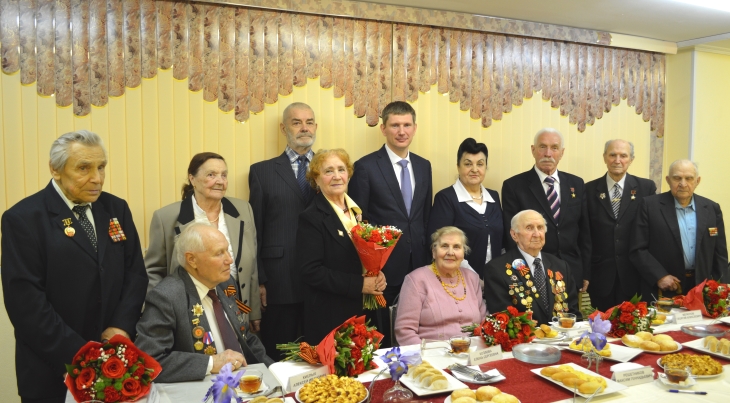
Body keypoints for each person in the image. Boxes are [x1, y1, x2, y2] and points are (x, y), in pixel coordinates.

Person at [1, 130, 147, 403]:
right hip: (53, 370)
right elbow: (27, 305)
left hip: (115, 361)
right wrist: (85, 356)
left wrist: (120, 327)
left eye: (101, 167)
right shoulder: (23, 219)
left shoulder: (116, 208)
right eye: (84, 168)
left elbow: (135, 274)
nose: (97, 178)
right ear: (55, 170)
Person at [136, 223, 273, 383]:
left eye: (227, 250)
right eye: (219, 253)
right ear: (192, 259)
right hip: (205, 388)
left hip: (248, 380)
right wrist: (211, 363)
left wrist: (275, 371)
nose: (229, 260)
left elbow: (245, 337)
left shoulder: (226, 283)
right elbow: (149, 361)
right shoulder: (166, 297)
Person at [145, 152, 261, 331]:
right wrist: (158, 312)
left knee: (240, 353)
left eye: (224, 175)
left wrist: (253, 312)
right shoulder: (165, 218)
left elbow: (251, 266)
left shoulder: (243, 210)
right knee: (205, 354)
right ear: (192, 179)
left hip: (237, 304)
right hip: (188, 309)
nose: (220, 181)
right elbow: (154, 271)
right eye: (211, 175)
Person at [349, 101, 432, 347]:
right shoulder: (365, 167)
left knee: (416, 330)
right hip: (383, 270)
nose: (401, 131)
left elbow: (424, 216)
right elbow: (358, 224)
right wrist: (370, 269)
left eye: (406, 125)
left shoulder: (424, 166)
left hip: (418, 263)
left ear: (415, 128)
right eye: (395, 125)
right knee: (384, 335)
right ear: (383, 128)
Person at [296, 149, 386, 344]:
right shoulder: (311, 217)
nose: (336, 176)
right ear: (316, 180)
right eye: (328, 171)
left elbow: (364, 256)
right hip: (332, 316)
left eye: (341, 169)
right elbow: (311, 271)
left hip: (366, 312)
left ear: (349, 174)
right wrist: (361, 284)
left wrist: (376, 274)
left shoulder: (358, 211)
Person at [249, 102, 316, 359]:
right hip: (279, 280)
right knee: (280, 355)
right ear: (283, 128)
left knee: (318, 357)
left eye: (309, 122)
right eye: (296, 122)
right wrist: (260, 279)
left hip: (319, 280)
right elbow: (255, 229)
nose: (304, 128)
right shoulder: (262, 172)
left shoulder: (330, 169)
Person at [501, 128, 591, 293]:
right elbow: (511, 236)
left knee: (569, 318)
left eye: (554, 148)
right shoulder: (514, 186)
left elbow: (585, 233)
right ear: (533, 150)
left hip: (571, 271)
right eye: (542, 147)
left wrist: (585, 272)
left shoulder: (576, 184)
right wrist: (520, 272)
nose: (548, 153)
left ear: (561, 152)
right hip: (532, 273)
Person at [630, 159, 728, 300]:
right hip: (664, 288)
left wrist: (722, 289)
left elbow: (720, 255)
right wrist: (659, 276)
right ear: (668, 180)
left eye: (689, 178)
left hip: (702, 288)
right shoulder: (649, 206)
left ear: (697, 181)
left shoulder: (712, 208)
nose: (683, 184)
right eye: (677, 178)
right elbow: (637, 249)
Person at [586, 140, 656, 310]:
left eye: (623, 156)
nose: (617, 160)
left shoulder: (646, 188)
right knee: (604, 328)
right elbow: (585, 235)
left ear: (631, 159)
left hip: (635, 274)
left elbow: (652, 232)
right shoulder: (588, 190)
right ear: (604, 158)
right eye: (612, 155)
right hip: (601, 277)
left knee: (634, 329)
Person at [484, 210, 580, 326]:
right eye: (529, 228)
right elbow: (504, 319)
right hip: (525, 341)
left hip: (562, 338)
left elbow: (573, 313)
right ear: (514, 234)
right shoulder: (496, 269)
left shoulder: (560, 266)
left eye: (540, 228)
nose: (537, 234)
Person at [395, 227, 487, 345]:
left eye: (456, 247)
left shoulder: (472, 278)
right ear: (434, 252)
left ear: (463, 254)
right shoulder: (416, 280)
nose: (450, 252)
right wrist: (426, 357)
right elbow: (405, 331)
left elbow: (484, 322)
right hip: (433, 354)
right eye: (444, 246)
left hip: (473, 351)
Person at [428, 138, 503, 276]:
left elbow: (501, 242)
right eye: (468, 164)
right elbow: (439, 245)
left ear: (485, 167)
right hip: (458, 279)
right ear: (458, 166)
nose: (474, 169)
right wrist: (473, 279)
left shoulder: (493, 197)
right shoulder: (446, 198)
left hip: (495, 280)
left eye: (480, 164)